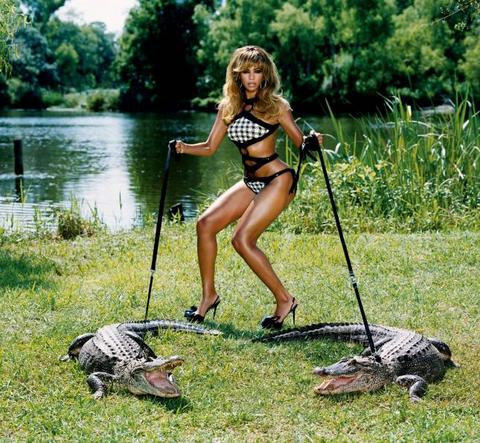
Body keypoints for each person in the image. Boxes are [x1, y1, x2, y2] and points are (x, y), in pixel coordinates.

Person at [175, 45, 323, 329]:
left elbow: (301, 143)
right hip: (250, 181)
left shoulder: (277, 106)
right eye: (245, 72)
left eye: (257, 71)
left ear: (265, 74)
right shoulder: (228, 107)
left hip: (278, 179)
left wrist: (313, 141)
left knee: (242, 240)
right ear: (237, 75)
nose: (252, 77)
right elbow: (209, 147)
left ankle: (285, 300)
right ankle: (208, 296)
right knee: (205, 225)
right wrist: (183, 148)